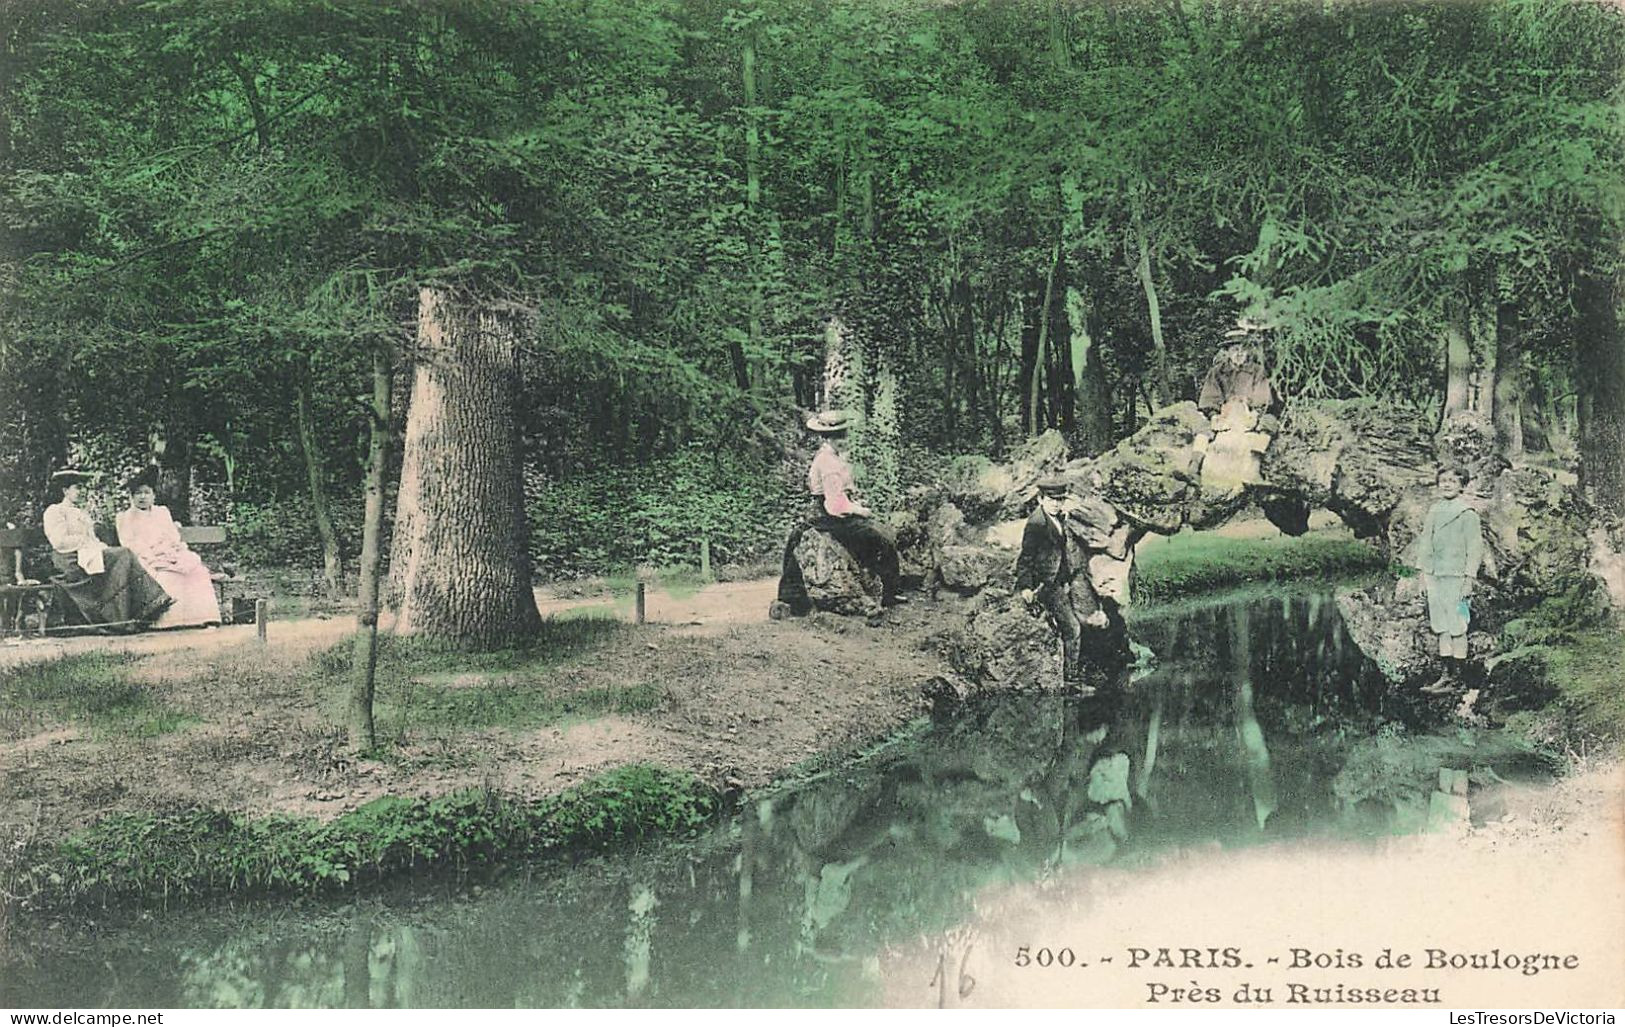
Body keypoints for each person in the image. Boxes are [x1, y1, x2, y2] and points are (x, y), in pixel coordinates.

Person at [772, 410, 905, 621]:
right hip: (830, 516)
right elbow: (835, 504)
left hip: (834, 511)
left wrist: (856, 500)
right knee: (882, 539)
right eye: (837, 435)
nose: (843, 439)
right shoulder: (827, 463)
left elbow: (844, 491)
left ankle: (876, 586)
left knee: (881, 533)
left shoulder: (834, 457)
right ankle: (888, 593)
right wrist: (859, 510)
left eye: (843, 434)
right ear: (826, 437)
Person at [42, 468, 172, 632]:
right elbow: (59, 541)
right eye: (78, 488)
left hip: (88, 554)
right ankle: (125, 617)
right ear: (65, 491)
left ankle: (140, 611)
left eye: (83, 488)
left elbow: (92, 539)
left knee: (123, 556)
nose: (82, 492)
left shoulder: (81, 512)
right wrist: (87, 543)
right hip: (68, 558)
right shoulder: (55, 511)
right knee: (123, 554)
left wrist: (98, 546)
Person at [1015, 476, 1109, 687]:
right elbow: (1026, 557)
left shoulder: (1057, 518)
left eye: (1060, 500)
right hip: (1048, 584)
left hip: (1063, 580)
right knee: (1073, 628)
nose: (1056, 504)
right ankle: (1071, 680)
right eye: (1052, 500)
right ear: (1040, 499)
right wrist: (1026, 587)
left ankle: (1083, 670)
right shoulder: (1036, 524)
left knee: (1089, 618)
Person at [1411, 468, 1487, 694]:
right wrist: (1423, 576)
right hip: (1436, 575)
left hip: (1456, 577)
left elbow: (1475, 549)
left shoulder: (1467, 513)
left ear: (1462, 485)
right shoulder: (1434, 510)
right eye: (1443, 481)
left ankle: (1459, 679)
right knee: (1441, 626)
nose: (1447, 485)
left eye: (1452, 481)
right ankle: (1446, 675)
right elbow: (1425, 544)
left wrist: (1469, 579)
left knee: (1458, 626)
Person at [116, 477, 222, 628]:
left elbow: (173, 537)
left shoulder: (162, 512)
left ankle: (202, 617)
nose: (142, 497)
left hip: (168, 552)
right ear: (131, 497)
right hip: (144, 558)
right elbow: (128, 543)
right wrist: (154, 554)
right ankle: (169, 622)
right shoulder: (125, 517)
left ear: (154, 495)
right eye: (138, 493)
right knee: (167, 576)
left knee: (197, 572)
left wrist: (170, 550)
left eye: (147, 493)